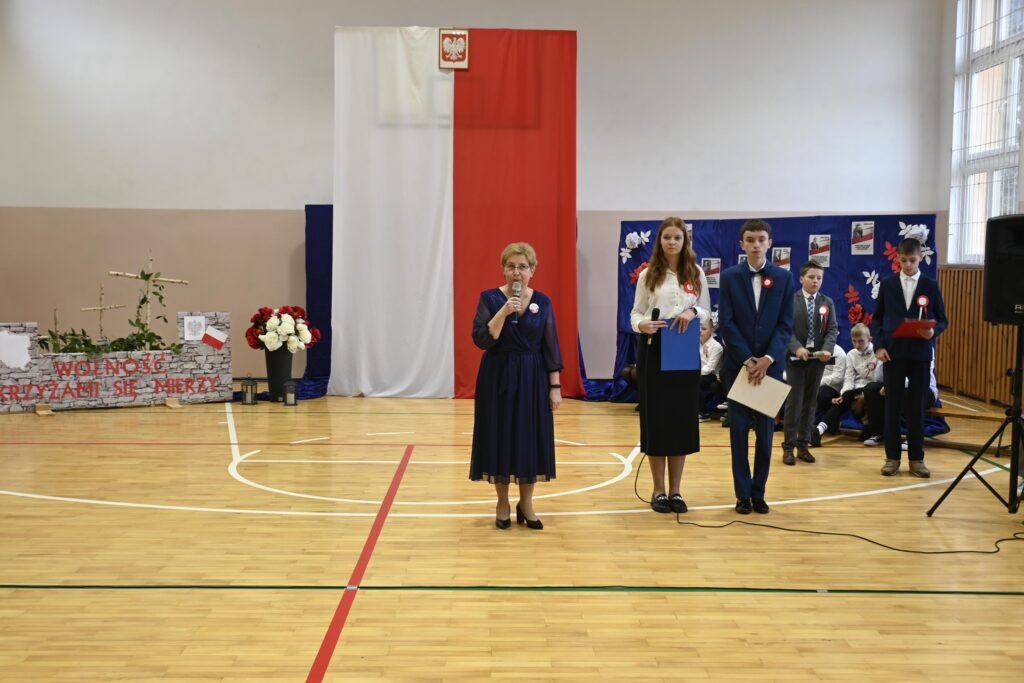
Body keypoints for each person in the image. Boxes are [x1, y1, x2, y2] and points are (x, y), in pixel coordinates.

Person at [470, 242, 563, 529]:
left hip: (533, 377)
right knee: (499, 436)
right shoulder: (489, 298)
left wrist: (555, 386)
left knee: (529, 437)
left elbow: (550, 346)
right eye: (511, 266)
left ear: (532, 271)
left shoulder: (543, 302)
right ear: (503, 269)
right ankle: (502, 503)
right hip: (497, 376)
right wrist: (502, 312)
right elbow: (482, 340)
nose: (516, 272)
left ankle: (527, 503)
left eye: (523, 267)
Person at [630, 217, 711, 514]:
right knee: (658, 419)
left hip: (684, 349)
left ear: (685, 240)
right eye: (667, 237)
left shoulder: (696, 272)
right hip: (654, 347)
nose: (672, 242)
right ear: (660, 241)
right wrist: (642, 325)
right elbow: (636, 312)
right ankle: (658, 490)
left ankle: (676, 491)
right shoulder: (648, 274)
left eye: (677, 237)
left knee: (680, 419)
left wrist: (693, 311)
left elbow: (707, 311)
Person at [718, 219, 794, 515]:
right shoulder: (729, 277)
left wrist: (768, 359)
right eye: (750, 240)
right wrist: (748, 359)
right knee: (738, 434)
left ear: (770, 243)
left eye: (761, 239)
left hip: (769, 369)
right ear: (742, 244)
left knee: (765, 435)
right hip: (740, 367)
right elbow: (727, 322)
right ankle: (742, 495)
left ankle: (759, 492)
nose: (756, 245)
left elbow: (785, 325)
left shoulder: (784, 278)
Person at [870, 238, 948, 477]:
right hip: (892, 354)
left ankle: (916, 459)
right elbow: (877, 319)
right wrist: (879, 347)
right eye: (903, 260)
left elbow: (943, 320)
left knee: (916, 408)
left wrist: (933, 332)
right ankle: (892, 458)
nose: (907, 265)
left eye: (912, 260)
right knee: (892, 407)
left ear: (920, 258)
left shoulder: (930, 285)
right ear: (897, 259)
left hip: (920, 355)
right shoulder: (888, 284)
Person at [781, 261, 838, 465]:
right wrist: (796, 347)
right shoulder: (790, 300)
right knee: (794, 402)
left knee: (810, 402)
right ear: (801, 278)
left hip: (817, 359)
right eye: (811, 277)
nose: (815, 281)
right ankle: (788, 447)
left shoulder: (827, 302)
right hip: (796, 359)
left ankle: (803, 445)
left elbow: (832, 329)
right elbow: (785, 328)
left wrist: (827, 349)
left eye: (819, 278)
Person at [862, 350, 938, 446]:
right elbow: (879, 378)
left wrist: (892, 385)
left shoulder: (924, 347)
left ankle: (913, 439)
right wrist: (883, 362)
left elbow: (919, 377)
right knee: (871, 389)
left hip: (924, 390)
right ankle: (879, 433)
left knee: (911, 393)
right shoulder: (891, 346)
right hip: (895, 387)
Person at [814, 324, 876, 440]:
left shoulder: (877, 353)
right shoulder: (851, 354)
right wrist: (843, 395)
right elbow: (848, 379)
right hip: (857, 389)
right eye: (854, 341)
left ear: (869, 339)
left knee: (868, 391)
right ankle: (819, 430)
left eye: (861, 341)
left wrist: (862, 394)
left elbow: (878, 379)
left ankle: (871, 427)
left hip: (873, 389)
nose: (857, 345)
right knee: (844, 398)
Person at [810, 343, 846, 446]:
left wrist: (817, 382)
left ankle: (820, 428)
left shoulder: (839, 353)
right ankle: (807, 427)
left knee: (820, 395)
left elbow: (838, 377)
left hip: (832, 387)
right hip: (815, 383)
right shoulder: (813, 349)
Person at [698, 318, 724, 421]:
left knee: (697, 381)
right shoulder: (695, 343)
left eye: (704, 329)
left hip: (713, 376)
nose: (700, 331)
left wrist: (694, 373)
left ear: (711, 331)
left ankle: (703, 413)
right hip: (700, 373)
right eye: (698, 328)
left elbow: (710, 367)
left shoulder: (716, 346)